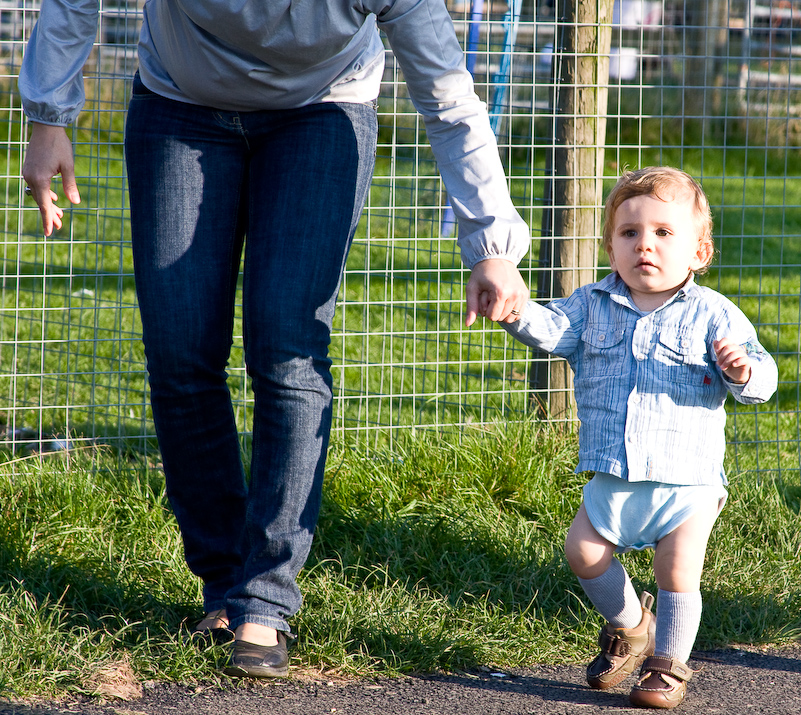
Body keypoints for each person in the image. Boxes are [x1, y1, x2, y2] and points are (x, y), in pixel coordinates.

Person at [19, 1, 531, 678]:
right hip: (179, 104)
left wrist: (489, 243)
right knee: (179, 351)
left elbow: (446, 95)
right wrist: (47, 117)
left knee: (287, 348)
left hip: (323, 112)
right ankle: (224, 583)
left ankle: (265, 597)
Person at [500, 167, 777, 709]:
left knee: (676, 570)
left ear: (699, 252)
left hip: (687, 479)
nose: (644, 245)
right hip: (614, 471)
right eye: (629, 234)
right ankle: (631, 623)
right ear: (610, 248)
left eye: (663, 233)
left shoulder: (713, 314)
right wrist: (513, 309)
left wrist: (743, 372)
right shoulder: (590, 304)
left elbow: (762, 379)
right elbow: (552, 331)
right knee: (581, 551)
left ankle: (668, 664)